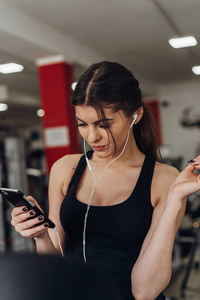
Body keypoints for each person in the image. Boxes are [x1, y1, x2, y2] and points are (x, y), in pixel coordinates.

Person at [11, 61, 200, 300]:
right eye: (82, 124)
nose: (92, 136)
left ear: (136, 115)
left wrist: (175, 200)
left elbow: (145, 292)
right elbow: (55, 263)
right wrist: (39, 234)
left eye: (104, 124)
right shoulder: (65, 169)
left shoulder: (163, 179)